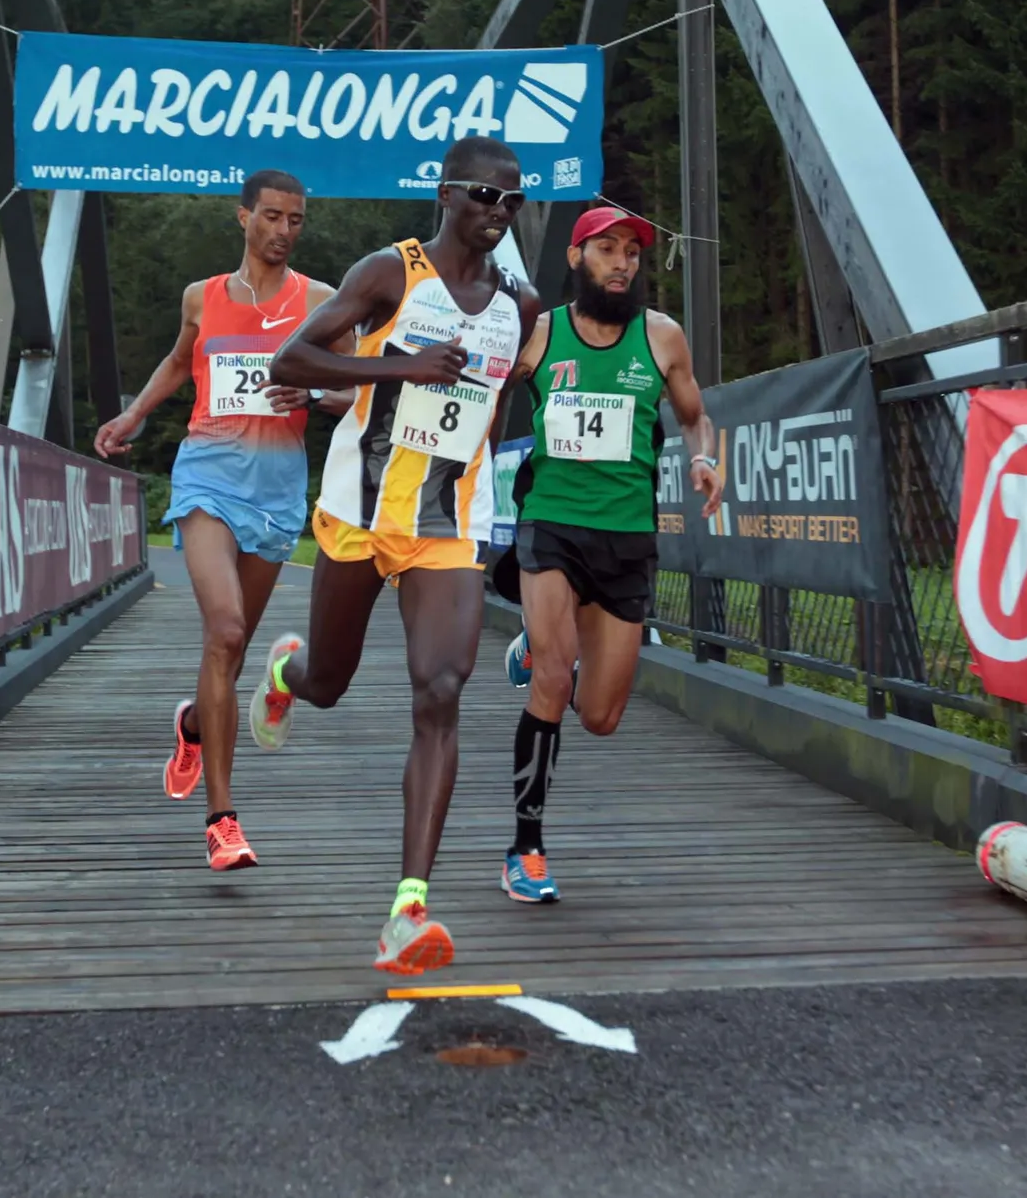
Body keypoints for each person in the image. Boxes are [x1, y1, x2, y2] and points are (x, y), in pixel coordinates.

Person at [250, 136, 541, 975]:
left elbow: (495, 401)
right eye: (485, 197)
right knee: (329, 685)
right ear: (447, 194)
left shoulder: (517, 308)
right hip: (360, 513)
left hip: (449, 523)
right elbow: (293, 358)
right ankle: (285, 677)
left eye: (513, 203)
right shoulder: (391, 272)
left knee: (442, 690)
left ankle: (407, 911)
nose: (498, 214)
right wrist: (398, 366)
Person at [94, 169, 351, 872]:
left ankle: (191, 724)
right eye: (271, 217)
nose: (283, 231)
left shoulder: (321, 301)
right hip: (207, 475)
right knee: (227, 629)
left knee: (231, 657)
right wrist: (135, 415)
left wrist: (318, 392)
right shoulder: (201, 297)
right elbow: (181, 362)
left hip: (276, 489)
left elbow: (357, 391)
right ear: (243, 218)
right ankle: (222, 818)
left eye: (295, 220)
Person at [494, 204, 723, 904]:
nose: (622, 262)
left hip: (627, 537)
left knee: (600, 716)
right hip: (552, 523)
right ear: (575, 259)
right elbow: (477, 403)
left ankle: (541, 645)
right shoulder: (538, 336)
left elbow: (694, 418)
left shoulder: (663, 338)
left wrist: (706, 459)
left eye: (632, 252)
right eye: (607, 250)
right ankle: (525, 848)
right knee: (555, 690)